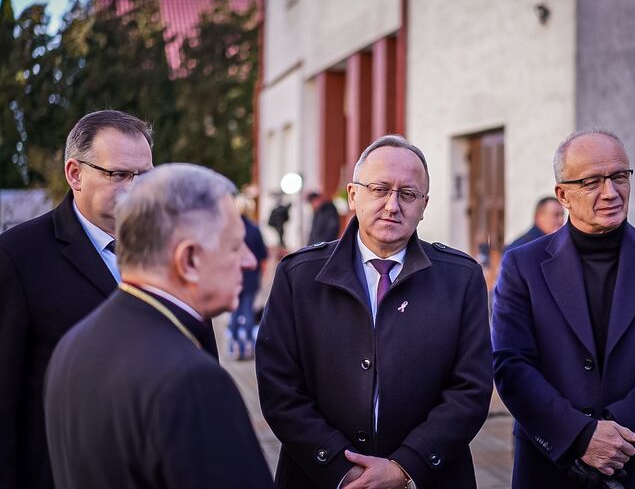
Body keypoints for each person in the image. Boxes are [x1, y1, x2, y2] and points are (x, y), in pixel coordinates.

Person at [256, 135, 493, 488]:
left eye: (408, 194)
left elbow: (470, 389)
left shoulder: (461, 278)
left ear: (424, 204)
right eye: (380, 189)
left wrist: (405, 467)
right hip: (319, 477)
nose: (392, 205)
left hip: (429, 478)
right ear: (353, 195)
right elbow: (280, 386)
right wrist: (341, 468)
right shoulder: (299, 275)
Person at [492, 129, 635, 488]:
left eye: (619, 177)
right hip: (552, 465)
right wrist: (580, 436)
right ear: (563, 194)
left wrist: (614, 435)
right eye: (591, 181)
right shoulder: (522, 266)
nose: (610, 192)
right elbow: (512, 365)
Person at [43, 163, 273, 489]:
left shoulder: (73, 342)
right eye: (235, 246)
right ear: (189, 260)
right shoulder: (192, 381)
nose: (249, 261)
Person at [0, 110, 153, 489]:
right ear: (75, 174)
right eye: (118, 174)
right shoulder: (18, 256)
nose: (136, 188)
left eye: (145, 175)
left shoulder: (173, 247)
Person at [228, 194, 269, 360]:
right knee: (248, 311)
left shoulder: (230, 230)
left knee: (235, 312)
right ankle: (250, 346)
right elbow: (263, 256)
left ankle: (235, 345)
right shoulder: (254, 229)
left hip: (233, 277)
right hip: (251, 278)